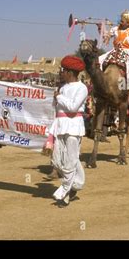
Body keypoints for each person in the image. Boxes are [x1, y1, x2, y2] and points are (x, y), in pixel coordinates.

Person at [51, 55, 88, 207]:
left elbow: (73, 108)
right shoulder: (63, 87)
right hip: (60, 126)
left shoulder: (82, 88)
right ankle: (77, 183)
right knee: (58, 160)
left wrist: (59, 97)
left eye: (63, 70)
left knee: (70, 161)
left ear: (70, 72)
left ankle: (64, 193)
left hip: (74, 127)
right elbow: (57, 107)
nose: (61, 73)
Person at [98, 10, 129, 89]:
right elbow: (106, 36)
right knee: (100, 59)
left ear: (128, 23)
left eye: (122, 21)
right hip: (115, 51)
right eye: (120, 20)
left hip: (128, 52)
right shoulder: (115, 29)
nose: (120, 22)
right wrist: (101, 29)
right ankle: (99, 79)